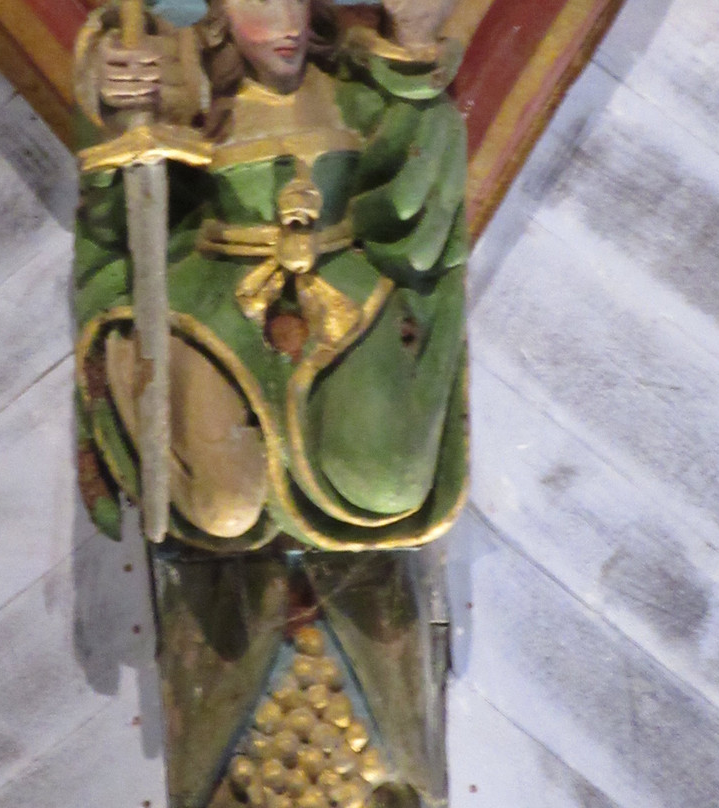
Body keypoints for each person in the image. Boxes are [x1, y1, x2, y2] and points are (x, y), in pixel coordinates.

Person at [72, 0, 469, 554]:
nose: (286, 26)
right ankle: (128, 376)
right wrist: (114, 101)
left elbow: (418, 151)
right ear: (220, 14)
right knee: (224, 510)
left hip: (346, 300)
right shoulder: (193, 98)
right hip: (214, 306)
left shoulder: (350, 93)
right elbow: (117, 200)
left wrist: (415, 43)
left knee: (388, 487)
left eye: (294, 0)